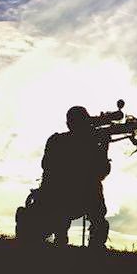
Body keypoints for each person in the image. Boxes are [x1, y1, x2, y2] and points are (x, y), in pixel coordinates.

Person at [39, 105, 111, 249]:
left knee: (94, 203)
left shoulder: (57, 140)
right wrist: (101, 149)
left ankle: (83, 243)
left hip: (70, 197)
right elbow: (102, 172)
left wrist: (102, 148)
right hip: (62, 197)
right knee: (93, 201)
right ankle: (91, 246)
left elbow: (101, 173)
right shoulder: (59, 140)